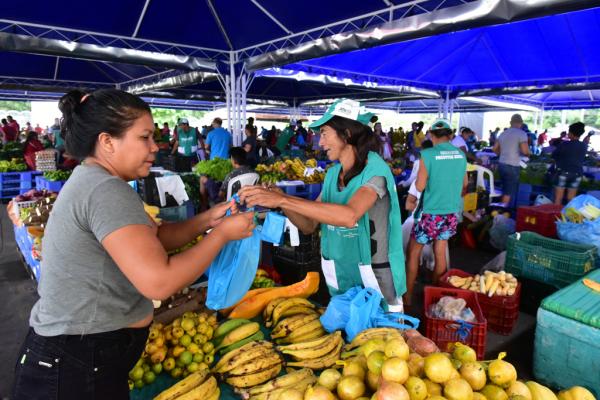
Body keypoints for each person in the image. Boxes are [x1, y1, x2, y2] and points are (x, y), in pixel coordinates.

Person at [11, 89, 254, 399]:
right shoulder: (105, 190)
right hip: (76, 363)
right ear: (107, 142)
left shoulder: (98, 181)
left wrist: (208, 220)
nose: (156, 147)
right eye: (145, 138)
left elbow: (154, 239)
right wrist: (221, 236)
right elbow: (159, 283)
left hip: (76, 356)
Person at [240, 99, 406, 312]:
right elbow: (309, 225)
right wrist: (282, 199)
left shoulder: (376, 172)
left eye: (325, 133)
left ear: (346, 134)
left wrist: (283, 200)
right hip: (342, 276)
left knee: (385, 341)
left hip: (376, 280)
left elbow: (349, 216)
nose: (320, 142)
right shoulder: (333, 174)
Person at [405, 119, 467, 306]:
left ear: (432, 135)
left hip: (430, 213)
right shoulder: (460, 155)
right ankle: (434, 295)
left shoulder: (428, 154)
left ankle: (407, 297)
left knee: (413, 252)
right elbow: (464, 186)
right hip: (450, 213)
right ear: (450, 135)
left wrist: (413, 197)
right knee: (440, 252)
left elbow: (420, 185)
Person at [493, 114, 529, 206]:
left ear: (510, 123)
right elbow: (525, 151)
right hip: (513, 165)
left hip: (502, 164)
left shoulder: (503, 133)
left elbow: (494, 148)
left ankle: (502, 210)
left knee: (505, 189)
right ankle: (502, 212)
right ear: (521, 123)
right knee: (509, 191)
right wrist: (529, 155)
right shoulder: (521, 133)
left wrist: (502, 154)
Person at [552, 122, 588, 205]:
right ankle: (568, 217)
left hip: (563, 172)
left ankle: (555, 216)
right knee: (571, 199)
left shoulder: (564, 144)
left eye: (568, 132)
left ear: (571, 133)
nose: (568, 134)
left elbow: (554, 155)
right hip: (577, 173)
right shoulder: (584, 145)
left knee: (558, 198)